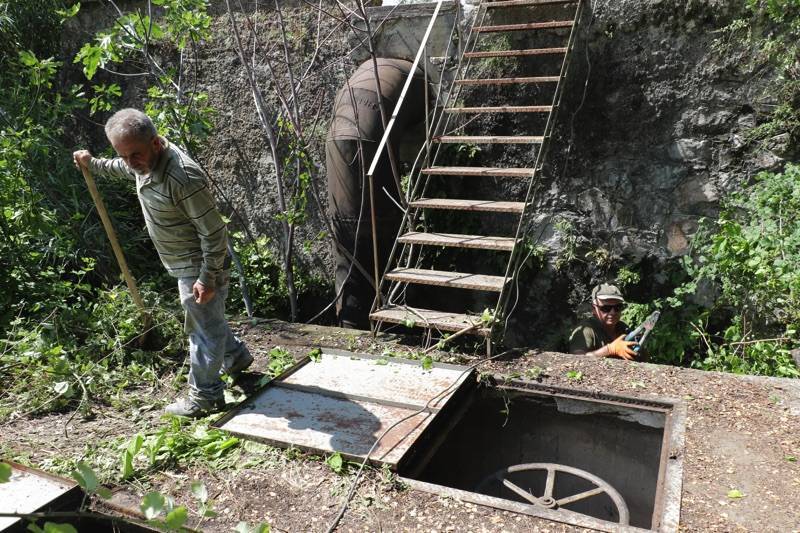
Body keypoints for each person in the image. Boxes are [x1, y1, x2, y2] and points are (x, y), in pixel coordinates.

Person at [73, 108, 252, 417]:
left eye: (135, 155)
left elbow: (214, 233)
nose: (131, 162)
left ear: (155, 143)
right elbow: (122, 168)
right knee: (206, 321)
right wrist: (94, 164)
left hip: (199, 266)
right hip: (183, 262)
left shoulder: (181, 177)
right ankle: (235, 359)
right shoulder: (142, 161)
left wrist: (207, 278)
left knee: (202, 332)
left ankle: (206, 398)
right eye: (123, 155)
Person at [568, 283, 637, 360]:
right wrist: (609, 350)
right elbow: (576, 359)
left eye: (618, 307)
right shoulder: (586, 331)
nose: (612, 312)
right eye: (606, 308)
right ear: (594, 309)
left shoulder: (623, 328)